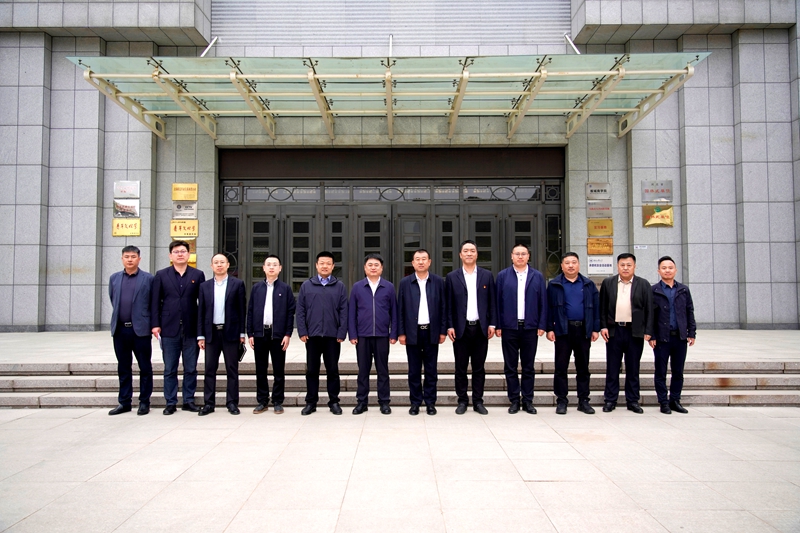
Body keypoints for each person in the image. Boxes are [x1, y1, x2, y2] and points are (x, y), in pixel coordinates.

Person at [151, 240, 206, 415]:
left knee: (191, 368)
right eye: (176, 252)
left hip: (191, 328)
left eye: (183, 251)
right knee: (170, 368)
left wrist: (202, 330)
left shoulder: (198, 275)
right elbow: (155, 302)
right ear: (170, 255)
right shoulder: (161, 275)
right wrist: (155, 324)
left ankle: (188, 400)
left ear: (188, 254)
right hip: (169, 328)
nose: (180, 254)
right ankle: (171, 402)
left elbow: (203, 303)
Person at [445, 240, 496, 415]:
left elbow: (492, 302)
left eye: (472, 250)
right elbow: (448, 304)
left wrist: (492, 323)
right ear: (460, 255)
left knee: (479, 368)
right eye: (465, 251)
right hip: (461, 329)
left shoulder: (486, 275)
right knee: (460, 368)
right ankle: (462, 400)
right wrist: (449, 325)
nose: (469, 253)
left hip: (481, 328)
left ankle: (478, 401)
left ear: (477, 254)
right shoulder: (452, 277)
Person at [495, 244, 547, 415]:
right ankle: (514, 400)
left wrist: (542, 324)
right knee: (510, 366)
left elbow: (543, 302)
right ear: (512, 256)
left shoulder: (537, 276)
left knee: (528, 366)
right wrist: (498, 325)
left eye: (523, 254)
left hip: (530, 327)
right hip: (509, 327)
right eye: (517, 253)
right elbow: (497, 302)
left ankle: (528, 400)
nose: (520, 256)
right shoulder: (503, 276)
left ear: (528, 256)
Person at [546, 252, 600, 415]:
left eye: (574, 262)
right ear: (561, 266)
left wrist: (595, 328)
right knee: (561, 367)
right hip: (563, 330)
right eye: (567, 263)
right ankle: (561, 401)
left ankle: (583, 401)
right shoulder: (554, 285)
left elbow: (596, 308)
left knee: (583, 367)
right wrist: (549, 328)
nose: (571, 265)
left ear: (579, 264)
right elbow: (548, 308)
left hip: (583, 330)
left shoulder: (588, 284)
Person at [599, 253, 653, 414]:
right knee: (612, 367)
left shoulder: (643, 284)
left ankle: (633, 400)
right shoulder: (608, 283)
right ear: (617, 266)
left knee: (633, 367)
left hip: (634, 331)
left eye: (629, 265)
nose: (625, 268)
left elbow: (649, 309)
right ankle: (610, 400)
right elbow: (602, 307)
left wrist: (648, 330)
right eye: (622, 265)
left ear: (634, 266)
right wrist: (603, 326)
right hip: (614, 330)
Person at [296, 251, 348, 416]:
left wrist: (342, 332)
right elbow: (301, 310)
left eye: (328, 263)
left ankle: (334, 402)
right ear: (316, 265)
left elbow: (344, 311)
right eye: (322, 263)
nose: (325, 266)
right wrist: (302, 331)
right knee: (312, 370)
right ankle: (311, 402)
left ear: (333, 266)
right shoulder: (307, 285)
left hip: (332, 336)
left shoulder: (339, 286)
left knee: (332, 370)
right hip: (312, 336)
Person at [397, 249, 447, 416]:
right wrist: (401, 332)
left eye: (424, 259)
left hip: (431, 331)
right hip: (413, 332)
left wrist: (442, 331)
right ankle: (415, 402)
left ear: (429, 262)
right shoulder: (405, 283)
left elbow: (443, 307)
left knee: (431, 370)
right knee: (414, 370)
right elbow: (400, 309)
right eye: (417, 259)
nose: (421, 262)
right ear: (412, 263)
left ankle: (431, 402)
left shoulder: (438, 281)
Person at [197, 254, 246, 416]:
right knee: (209, 369)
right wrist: (200, 335)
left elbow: (241, 310)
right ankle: (209, 403)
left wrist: (242, 333)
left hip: (230, 332)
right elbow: (201, 312)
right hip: (211, 333)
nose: (219, 265)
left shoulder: (237, 284)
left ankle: (232, 402)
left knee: (232, 369)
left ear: (228, 265)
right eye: (216, 262)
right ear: (211, 266)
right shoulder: (204, 286)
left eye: (222, 262)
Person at [349, 254, 398, 415]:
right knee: (363, 370)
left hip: (382, 335)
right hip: (362, 336)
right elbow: (352, 312)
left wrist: (393, 333)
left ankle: (384, 402)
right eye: (370, 265)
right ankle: (361, 402)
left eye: (376, 265)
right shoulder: (357, 287)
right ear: (365, 268)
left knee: (383, 370)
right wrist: (353, 334)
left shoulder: (388, 287)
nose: (373, 267)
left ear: (381, 268)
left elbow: (394, 312)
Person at [108, 246, 154, 416]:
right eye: (126, 256)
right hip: (120, 330)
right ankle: (124, 402)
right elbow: (113, 299)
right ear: (122, 258)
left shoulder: (148, 279)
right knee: (123, 367)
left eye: (133, 257)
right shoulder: (114, 278)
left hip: (140, 330)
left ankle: (144, 402)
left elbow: (153, 303)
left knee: (145, 367)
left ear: (139, 259)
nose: (129, 259)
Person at [247, 254, 295, 415]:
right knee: (260, 369)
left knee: (278, 369)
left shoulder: (285, 289)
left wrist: (288, 334)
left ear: (280, 268)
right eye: (269, 264)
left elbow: (290, 313)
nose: (272, 267)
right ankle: (262, 401)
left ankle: (278, 401)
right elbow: (250, 311)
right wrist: (250, 333)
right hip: (260, 334)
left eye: (275, 264)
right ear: (264, 268)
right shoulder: (256, 288)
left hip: (278, 335)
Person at [650, 256, 696, 415]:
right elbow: (650, 315)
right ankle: (663, 402)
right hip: (661, 338)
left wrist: (691, 332)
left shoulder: (683, 290)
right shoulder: (654, 290)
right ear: (658, 271)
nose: (667, 270)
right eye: (664, 268)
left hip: (680, 337)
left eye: (670, 268)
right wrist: (651, 335)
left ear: (675, 270)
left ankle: (675, 400)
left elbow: (689, 311)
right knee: (660, 372)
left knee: (678, 371)